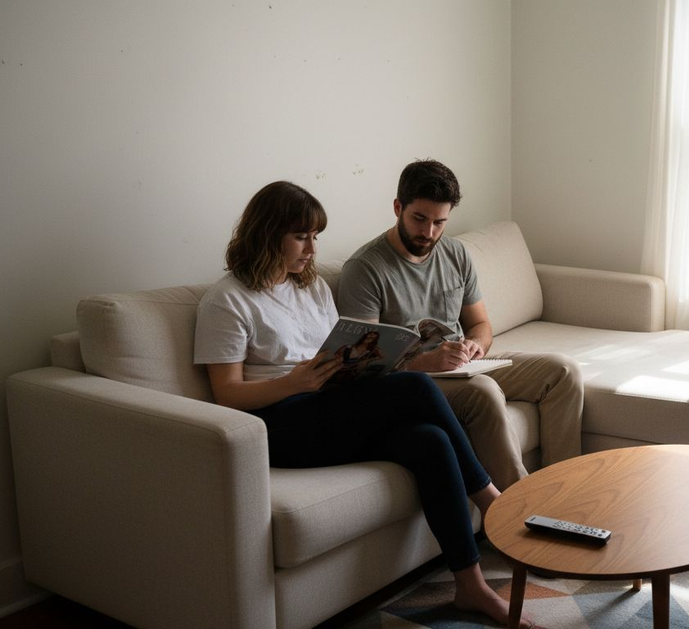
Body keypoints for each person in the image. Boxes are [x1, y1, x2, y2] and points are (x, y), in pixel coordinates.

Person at [193, 181, 534, 628]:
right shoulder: (228, 300)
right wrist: (292, 382)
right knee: (417, 388)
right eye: (301, 236)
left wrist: (362, 364)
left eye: (316, 236)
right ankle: (492, 500)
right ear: (266, 233)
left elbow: (340, 348)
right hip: (277, 424)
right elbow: (227, 394)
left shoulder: (309, 287)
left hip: (326, 407)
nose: (312, 249)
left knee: (429, 441)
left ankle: (470, 586)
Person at [337, 159, 583, 489]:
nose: (428, 233)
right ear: (398, 207)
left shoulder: (455, 254)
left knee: (562, 371)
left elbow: (480, 323)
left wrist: (475, 345)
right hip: (414, 381)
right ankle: (519, 508)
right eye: (419, 219)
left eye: (439, 222)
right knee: (483, 392)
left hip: (463, 365)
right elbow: (364, 363)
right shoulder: (365, 268)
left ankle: (564, 492)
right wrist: (423, 361)